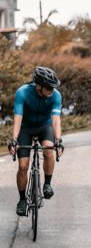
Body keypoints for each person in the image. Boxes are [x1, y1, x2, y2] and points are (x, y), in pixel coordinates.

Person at [8, 66, 64, 216]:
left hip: (44, 127)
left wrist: (58, 140)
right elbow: (18, 118)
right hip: (25, 128)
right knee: (23, 165)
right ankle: (22, 200)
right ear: (38, 85)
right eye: (48, 87)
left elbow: (56, 119)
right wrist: (14, 139)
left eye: (53, 87)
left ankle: (47, 184)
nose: (51, 90)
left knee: (48, 149)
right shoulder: (23, 92)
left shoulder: (56, 95)